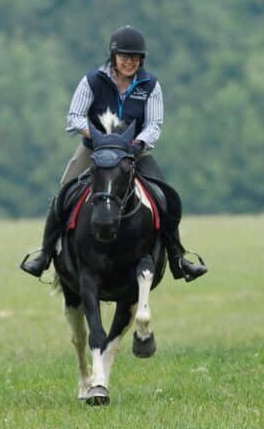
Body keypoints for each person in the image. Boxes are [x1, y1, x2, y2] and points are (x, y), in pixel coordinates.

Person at [20, 25, 207, 282]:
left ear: (141, 59)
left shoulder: (150, 85)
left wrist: (137, 145)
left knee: (167, 197)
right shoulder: (92, 80)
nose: (129, 62)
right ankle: (44, 254)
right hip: (94, 151)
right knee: (63, 195)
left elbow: (154, 124)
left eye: (135, 58)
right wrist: (98, 137)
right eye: (124, 57)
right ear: (113, 58)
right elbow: (74, 118)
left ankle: (178, 258)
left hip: (133, 153)